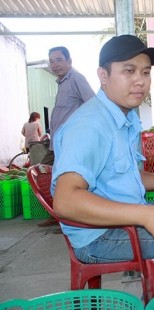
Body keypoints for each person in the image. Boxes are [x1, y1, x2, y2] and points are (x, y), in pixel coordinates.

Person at [50, 34, 154, 300]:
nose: (140, 80)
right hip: (98, 234)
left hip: (124, 214)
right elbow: (66, 200)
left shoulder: (123, 117)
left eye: (145, 72)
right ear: (103, 76)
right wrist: (145, 216)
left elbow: (123, 176)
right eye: (128, 71)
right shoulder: (90, 125)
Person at [38, 46, 95, 227]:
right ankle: (57, 214)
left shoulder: (76, 79)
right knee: (48, 175)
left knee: (60, 177)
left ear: (69, 61)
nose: (55, 65)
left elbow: (92, 104)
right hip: (57, 143)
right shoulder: (62, 83)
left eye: (59, 60)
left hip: (71, 143)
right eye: (51, 61)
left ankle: (68, 218)